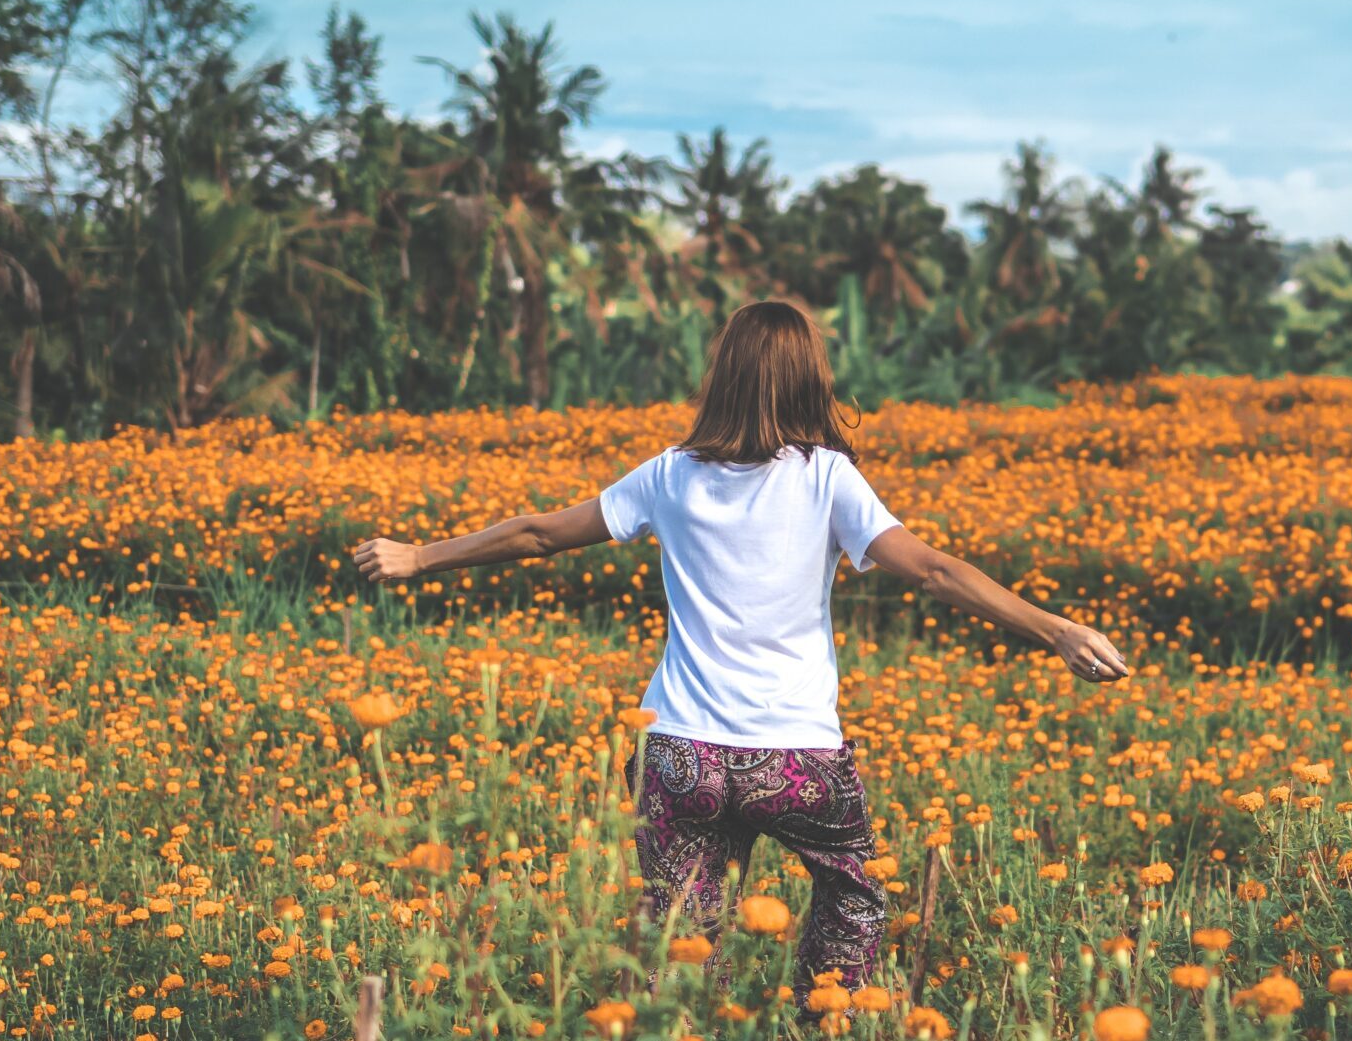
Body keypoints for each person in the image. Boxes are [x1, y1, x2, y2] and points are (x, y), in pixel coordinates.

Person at [352, 300, 1130, 1009]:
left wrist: (419, 556)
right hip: (796, 759)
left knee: (676, 950)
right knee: (855, 894)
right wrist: (1055, 628)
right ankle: (816, 1017)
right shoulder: (830, 478)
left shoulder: (668, 474)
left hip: (681, 754)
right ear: (808, 382)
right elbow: (933, 569)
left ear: (721, 375)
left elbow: (537, 534)